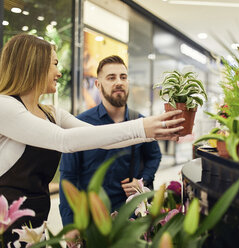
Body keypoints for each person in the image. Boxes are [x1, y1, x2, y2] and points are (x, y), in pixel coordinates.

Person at [0, 34, 184, 246]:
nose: (59, 73)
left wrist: (152, 132)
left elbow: (104, 140)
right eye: (54, 64)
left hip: (36, 219)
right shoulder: (4, 106)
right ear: (35, 64)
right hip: (6, 220)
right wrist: (142, 126)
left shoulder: (50, 113)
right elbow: (65, 141)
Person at [59, 55, 162, 245]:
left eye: (123, 77)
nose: (119, 82)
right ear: (98, 85)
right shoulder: (80, 123)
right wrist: (70, 223)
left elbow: (154, 156)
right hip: (92, 220)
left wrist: (142, 181)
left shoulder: (139, 122)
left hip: (131, 218)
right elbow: (68, 176)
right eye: (111, 77)